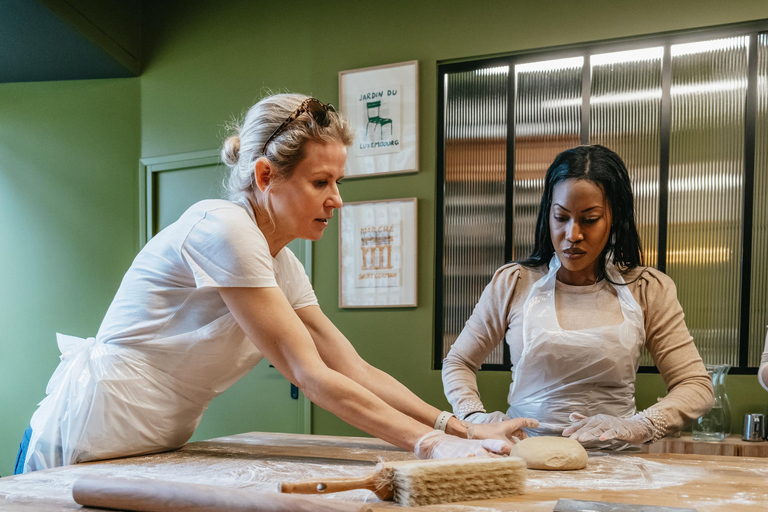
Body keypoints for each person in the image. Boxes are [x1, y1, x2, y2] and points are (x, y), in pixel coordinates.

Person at [16, 93, 536, 474]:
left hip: (145, 451)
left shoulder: (281, 263)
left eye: (338, 182)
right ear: (265, 176)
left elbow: (351, 366)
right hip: (84, 439)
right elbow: (310, 376)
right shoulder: (224, 228)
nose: (337, 199)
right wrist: (427, 446)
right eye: (320, 182)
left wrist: (459, 428)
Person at [442, 144, 714, 450]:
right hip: (522, 456)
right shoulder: (514, 283)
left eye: (590, 219)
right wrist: (474, 418)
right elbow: (459, 362)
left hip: (619, 466)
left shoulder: (647, 288)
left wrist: (641, 425)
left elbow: (696, 385)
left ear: (614, 219)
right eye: (561, 217)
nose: (573, 234)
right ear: (548, 215)